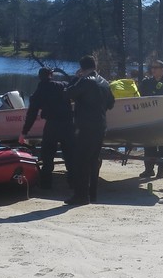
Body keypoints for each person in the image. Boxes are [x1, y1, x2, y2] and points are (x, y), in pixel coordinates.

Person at [64, 54, 115, 205]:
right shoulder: (104, 82)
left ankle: (81, 196)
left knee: (80, 161)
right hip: (100, 126)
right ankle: (92, 194)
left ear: (82, 67)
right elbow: (111, 103)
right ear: (95, 66)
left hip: (86, 126)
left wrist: (76, 79)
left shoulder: (85, 81)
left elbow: (67, 94)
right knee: (93, 161)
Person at [20, 67, 74, 190]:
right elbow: (73, 86)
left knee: (47, 156)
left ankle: (46, 185)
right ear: (51, 75)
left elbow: (32, 114)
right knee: (70, 155)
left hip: (52, 125)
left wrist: (24, 132)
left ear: (40, 77)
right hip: (68, 124)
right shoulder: (62, 85)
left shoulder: (39, 92)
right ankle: (73, 183)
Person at [138, 59, 163, 179]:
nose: (153, 70)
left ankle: (161, 171)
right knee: (149, 145)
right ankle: (148, 170)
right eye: (152, 67)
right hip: (149, 119)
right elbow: (139, 98)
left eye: (156, 67)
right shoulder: (146, 82)